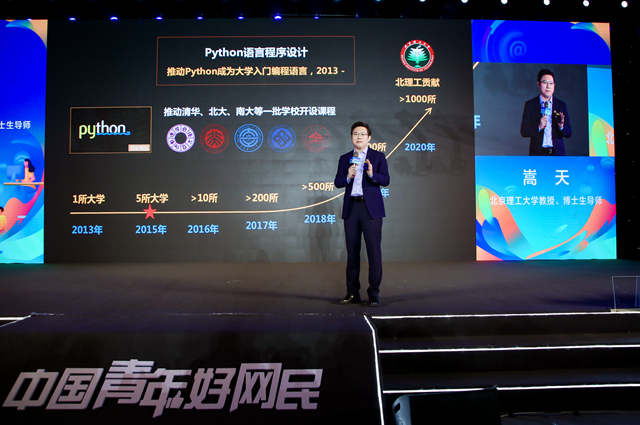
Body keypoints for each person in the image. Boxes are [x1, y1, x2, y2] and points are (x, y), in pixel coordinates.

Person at [334, 122, 390, 307]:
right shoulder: (345, 158)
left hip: (370, 210)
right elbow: (338, 182)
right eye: (355, 133)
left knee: (374, 252)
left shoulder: (378, 156)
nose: (359, 137)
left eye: (362, 134)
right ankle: (352, 293)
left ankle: (374, 294)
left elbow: (386, 179)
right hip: (352, 209)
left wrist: (373, 174)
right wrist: (347, 176)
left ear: (369, 138)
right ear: (351, 137)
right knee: (352, 253)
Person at [520, 69, 572, 156]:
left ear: (554, 86)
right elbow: (524, 131)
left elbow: (569, 132)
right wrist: (539, 127)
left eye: (551, 83)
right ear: (538, 84)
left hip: (557, 153)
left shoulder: (561, 105)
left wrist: (561, 127)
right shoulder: (530, 104)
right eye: (545, 82)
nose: (548, 86)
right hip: (537, 154)